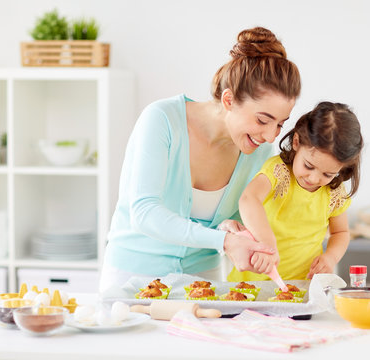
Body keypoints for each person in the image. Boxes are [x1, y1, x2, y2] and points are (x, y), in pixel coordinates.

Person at [99, 26, 301, 293]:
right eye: (262, 120)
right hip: (131, 277)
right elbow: (144, 213)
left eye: (279, 124)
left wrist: (235, 232)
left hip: (202, 282)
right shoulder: (162, 119)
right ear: (229, 100)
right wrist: (224, 242)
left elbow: (223, 223)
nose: (269, 136)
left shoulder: (260, 153)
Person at [227, 101, 363, 281]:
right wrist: (266, 243)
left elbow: (341, 233)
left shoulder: (333, 191)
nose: (314, 179)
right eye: (308, 166)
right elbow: (248, 199)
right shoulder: (279, 171)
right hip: (253, 282)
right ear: (297, 142)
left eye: (327, 174)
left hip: (300, 286)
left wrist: (330, 257)